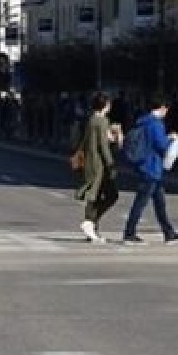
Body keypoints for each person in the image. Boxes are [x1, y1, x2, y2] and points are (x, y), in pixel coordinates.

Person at [122, 97, 178, 245]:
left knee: (159, 203)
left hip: (148, 167)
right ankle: (129, 233)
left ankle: (168, 232)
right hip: (151, 167)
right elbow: (161, 146)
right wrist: (172, 139)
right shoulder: (156, 124)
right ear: (163, 107)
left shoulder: (144, 121)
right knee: (141, 202)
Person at [74, 92, 119, 243]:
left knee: (95, 195)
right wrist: (111, 164)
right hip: (98, 163)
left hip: (90, 161)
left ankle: (92, 226)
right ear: (105, 105)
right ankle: (90, 223)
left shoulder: (92, 120)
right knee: (104, 195)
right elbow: (103, 146)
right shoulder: (101, 121)